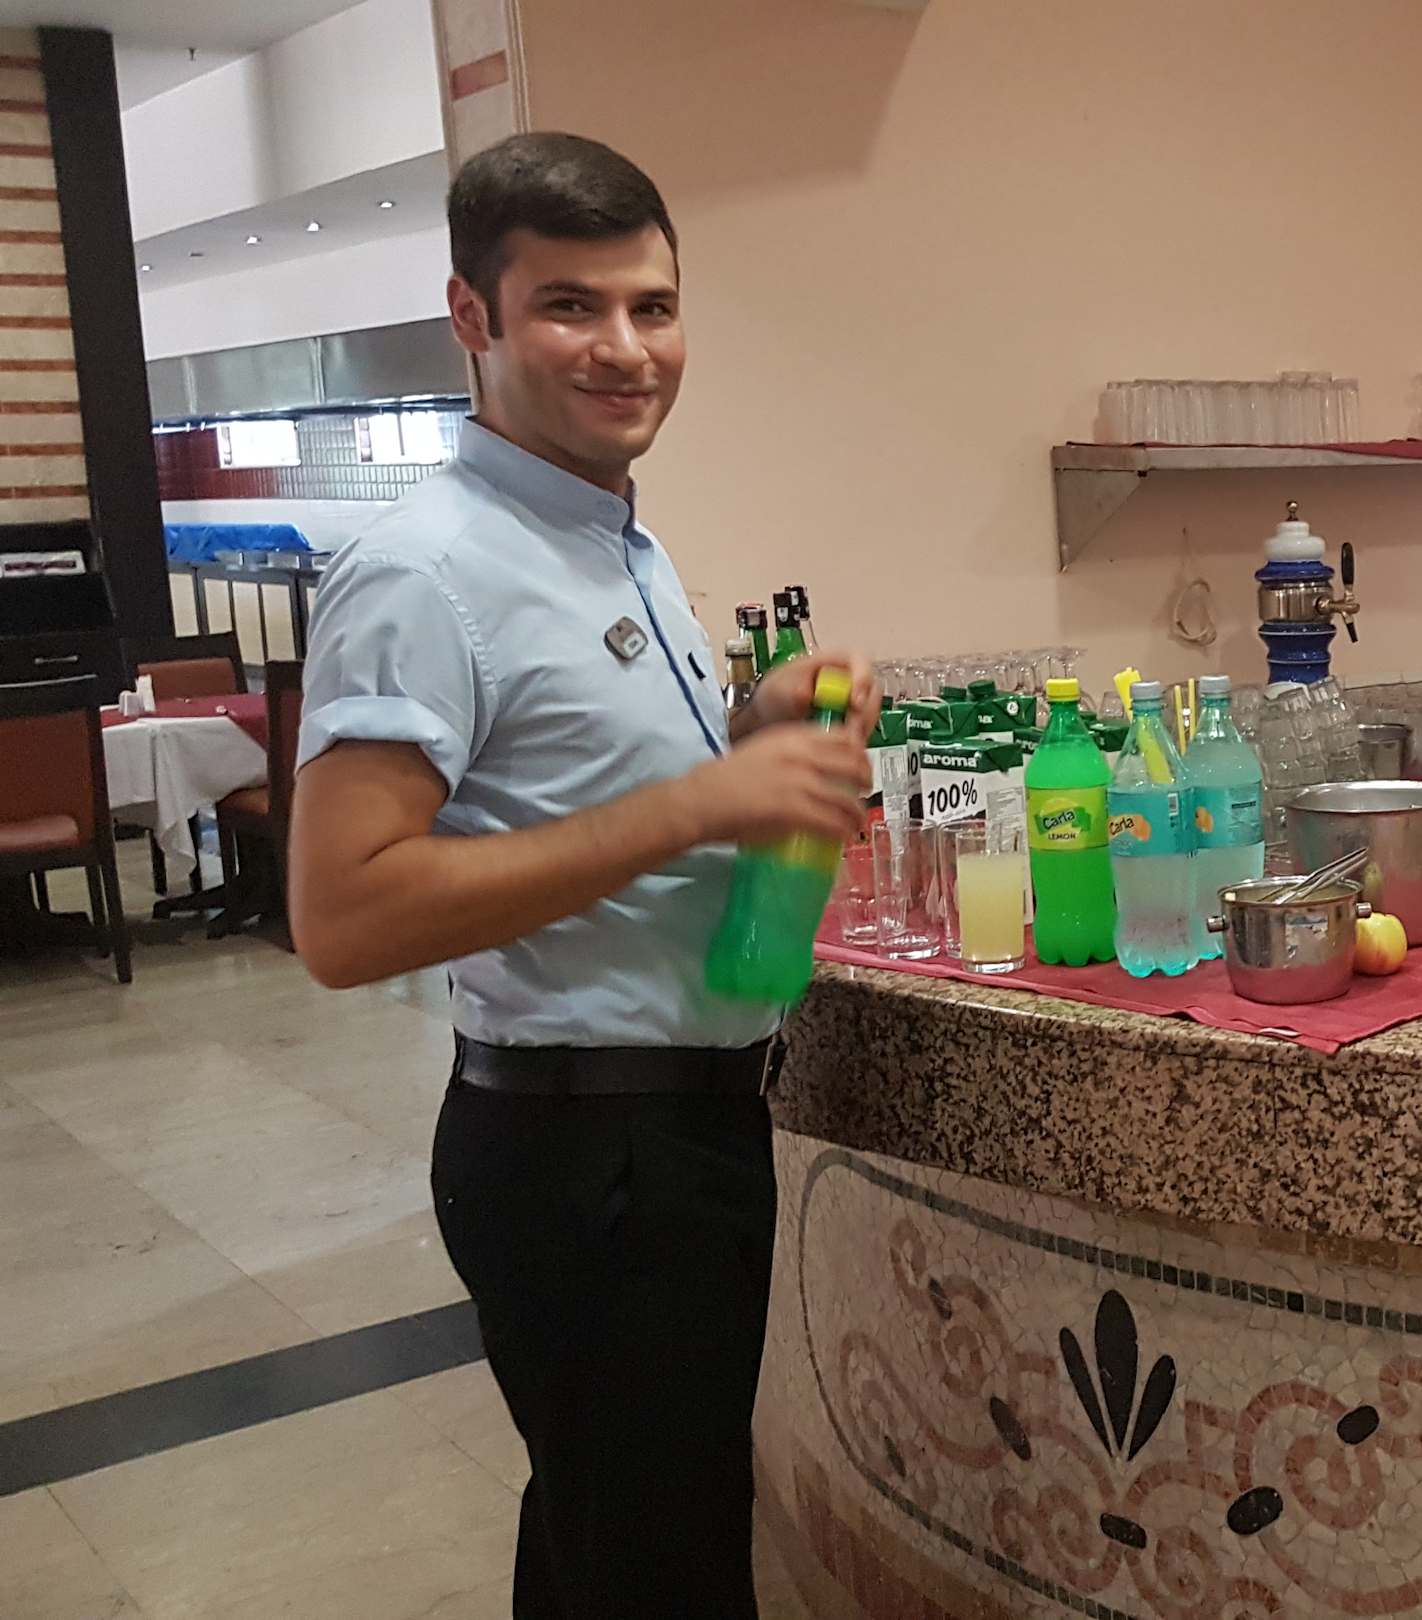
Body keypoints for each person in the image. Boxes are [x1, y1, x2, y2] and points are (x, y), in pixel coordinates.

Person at [288, 132, 877, 1619]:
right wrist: (698, 802)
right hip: (588, 1159)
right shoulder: (426, 570)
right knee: (659, 1570)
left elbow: (581, 792)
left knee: (611, 1548)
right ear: (472, 317)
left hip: (676, 1134)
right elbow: (344, 915)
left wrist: (751, 738)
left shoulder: (611, 538)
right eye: (570, 306)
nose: (627, 349)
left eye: (652, 307)